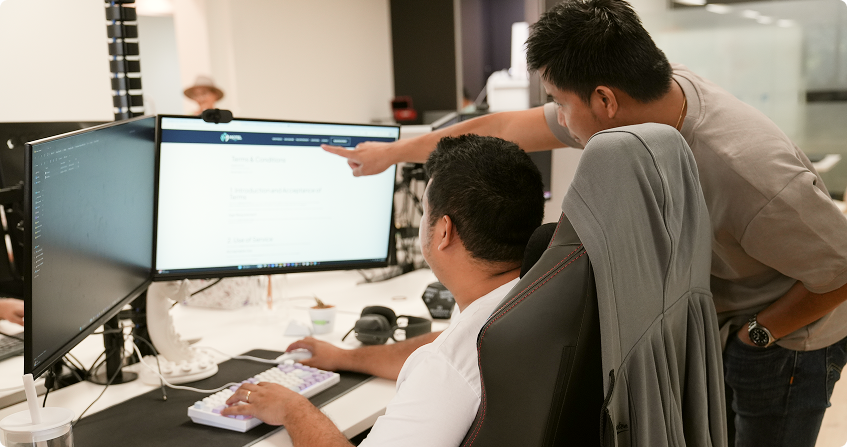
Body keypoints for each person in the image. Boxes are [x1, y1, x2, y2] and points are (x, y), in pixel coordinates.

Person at [320, 1, 847, 446]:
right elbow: (504, 126)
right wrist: (395, 153)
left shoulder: (749, 172)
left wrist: (758, 336)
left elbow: (839, 273)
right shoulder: (639, 108)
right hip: (725, 313)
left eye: (556, 102)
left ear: (604, 101)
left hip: (792, 334)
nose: (557, 119)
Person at [221, 135, 545, 446]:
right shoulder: (532, 297)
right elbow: (445, 341)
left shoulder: (447, 367)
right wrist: (344, 358)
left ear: (444, 230)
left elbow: (448, 359)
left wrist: (293, 410)